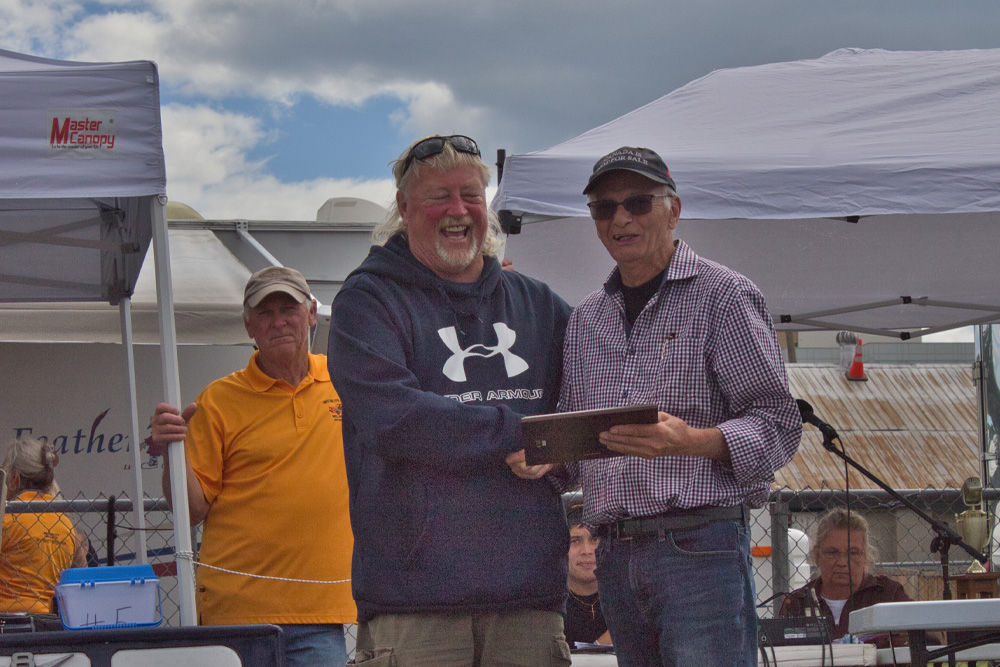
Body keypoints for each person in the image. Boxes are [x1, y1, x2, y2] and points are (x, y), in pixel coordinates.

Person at [511, 146, 802, 667]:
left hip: (700, 544)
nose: (621, 218)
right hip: (615, 553)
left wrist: (692, 441)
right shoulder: (587, 320)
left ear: (674, 210)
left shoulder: (724, 296)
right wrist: (550, 460)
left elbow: (779, 424)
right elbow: (582, 446)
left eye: (638, 203)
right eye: (605, 207)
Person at [328, 134, 573, 666]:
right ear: (404, 207)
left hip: (529, 604)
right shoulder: (366, 302)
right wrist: (519, 433)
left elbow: (582, 414)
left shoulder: (540, 305)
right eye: (440, 197)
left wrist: (559, 453)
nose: (458, 211)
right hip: (413, 608)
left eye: (470, 196)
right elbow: (394, 418)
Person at [149, 266, 355, 667]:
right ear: (248, 326)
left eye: (288, 309)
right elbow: (190, 510)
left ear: (312, 313)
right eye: (265, 313)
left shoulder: (346, 381)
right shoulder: (218, 400)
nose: (278, 322)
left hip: (319, 614)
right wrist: (173, 450)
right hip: (236, 617)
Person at [779, 508, 912, 648]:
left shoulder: (888, 595)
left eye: (853, 553)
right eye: (832, 553)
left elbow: (923, 641)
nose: (842, 562)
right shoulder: (797, 603)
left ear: (865, 555)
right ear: (817, 555)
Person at [0, 437, 88, 614]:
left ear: (14, 476)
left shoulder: (6, 519)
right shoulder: (66, 524)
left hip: (7, 619)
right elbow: (81, 573)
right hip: (49, 620)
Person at [563, 499, 611, 647]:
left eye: (594, 539)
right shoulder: (550, 600)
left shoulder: (626, 596)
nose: (587, 551)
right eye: (575, 540)